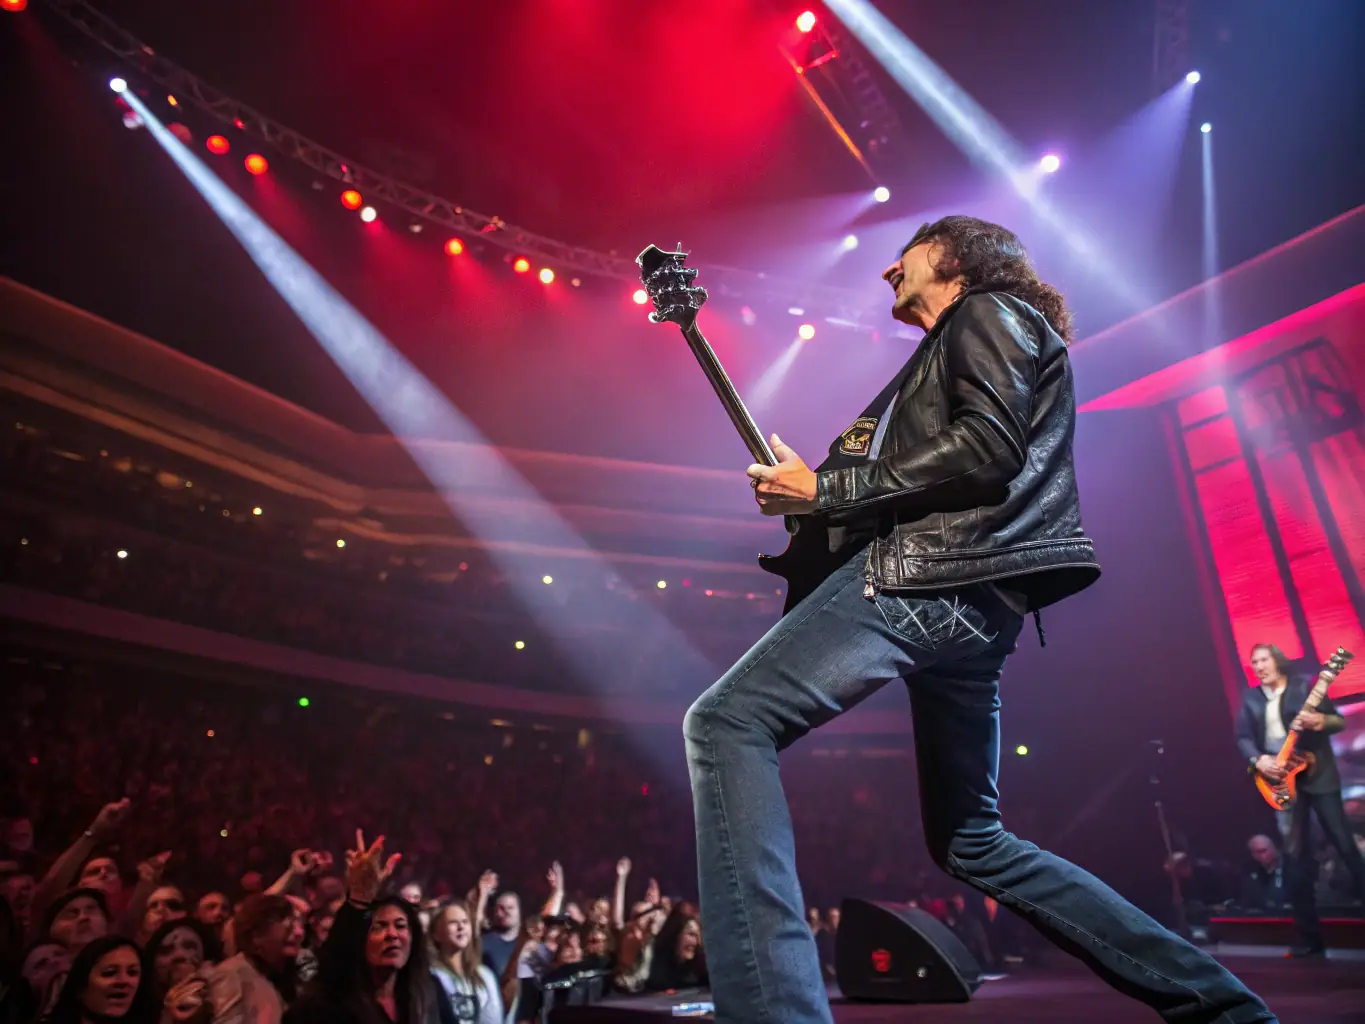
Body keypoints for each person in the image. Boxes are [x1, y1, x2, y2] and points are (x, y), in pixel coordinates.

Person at [684, 215, 1277, 1023]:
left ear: (953, 259)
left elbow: (986, 450)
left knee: (725, 723)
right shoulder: (953, 345)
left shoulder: (986, 312)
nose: (889, 268)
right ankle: (1222, 1009)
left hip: (928, 584)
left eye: (909, 250)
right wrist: (817, 509)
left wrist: (825, 492)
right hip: (971, 604)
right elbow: (947, 470)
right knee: (973, 842)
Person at [1235, 642, 1365, 955]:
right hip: (1281, 780)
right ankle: (1310, 940)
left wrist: (1318, 721)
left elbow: (1338, 721)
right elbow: (1242, 737)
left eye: (1264, 659)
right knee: (1295, 857)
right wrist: (1258, 760)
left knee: (1345, 845)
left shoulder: (1304, 686)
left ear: (1277, 661)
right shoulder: (1251, 698)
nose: (1259, 666)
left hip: (1317, 775)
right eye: (1254, 662)